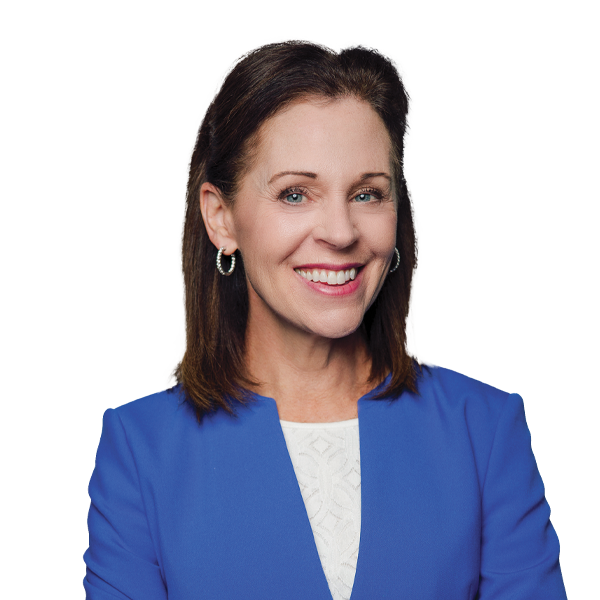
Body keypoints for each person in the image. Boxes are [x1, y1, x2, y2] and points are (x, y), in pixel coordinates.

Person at [82, 38, 568, 599]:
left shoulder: (483, 430)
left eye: (367, 194)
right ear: (221, 218)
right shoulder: (141, 450)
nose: (340, 232)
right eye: (295, 194)